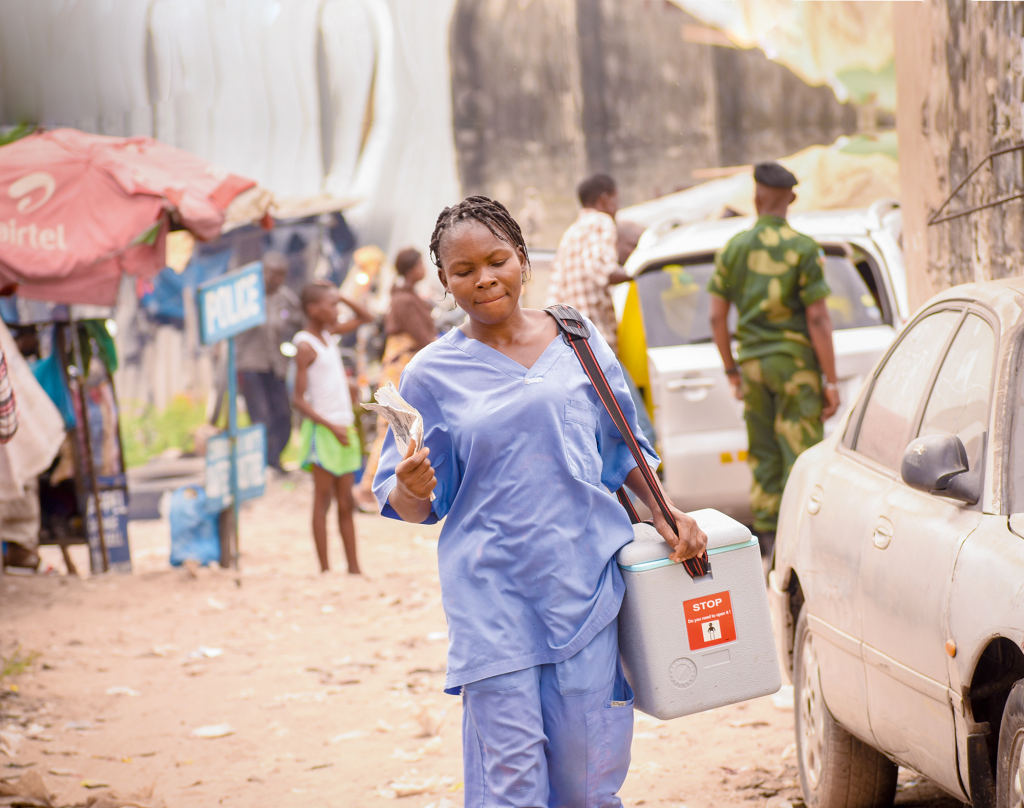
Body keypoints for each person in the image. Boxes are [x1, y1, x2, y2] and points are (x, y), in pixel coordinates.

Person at [373, 196, 707, 807]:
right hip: (490, 602)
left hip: (584, 596)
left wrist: (667, 513)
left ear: (523, 259)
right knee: (512, 789)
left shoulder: (579, 343)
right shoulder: (428, 375)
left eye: (497, 260)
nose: (484, 279)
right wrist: (411, 487)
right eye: (464, 270)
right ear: (444, 281)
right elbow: (412, 501)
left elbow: (624, 449)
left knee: (587, 785)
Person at [707, 162, 839, 564]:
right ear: (790, 199)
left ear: (757, 197)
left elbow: (716, 317)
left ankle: (768, 552)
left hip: (753, 369)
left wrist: (732, 369)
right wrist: (830, 381)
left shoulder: (733, 249)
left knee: (763, 455)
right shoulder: (802, 249)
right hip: (795, 368)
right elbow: (817, 317)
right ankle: (806, 546)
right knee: (802, 456)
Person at [292, 281, 374, 574]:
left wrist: (339, 294)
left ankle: (354, 567)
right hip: (325, 431)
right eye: (331, 305)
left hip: (344, 427)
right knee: (322, 500)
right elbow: (298, 400)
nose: (337, 309)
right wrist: (330, 426)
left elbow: (367, 318)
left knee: (345, 503)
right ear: (313, 310)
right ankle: (325, 569)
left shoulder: (328, 335)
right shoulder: (305, 346)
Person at [354, 247, 436, 513]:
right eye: (421, 264)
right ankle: (367, 489)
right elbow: (425, 339)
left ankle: (384, 487)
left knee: (403, 429)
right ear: (412, 269)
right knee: (391, 428)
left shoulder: (406, 297)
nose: (424, 268)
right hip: (400, 370)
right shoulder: (405, 301)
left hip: (403, 368)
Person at [236, 252, 304, 473]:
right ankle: (261, 464)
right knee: (261, 417)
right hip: (250, 363)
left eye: (281, 275)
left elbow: (300, 322)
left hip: (277, 365)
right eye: (273, 274)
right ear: (263, 273)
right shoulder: (246, 296)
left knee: (283, 414)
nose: (277, 279)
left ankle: (275, 458)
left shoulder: (286, 298)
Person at [545, 173, 628, 352]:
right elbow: (601, 268)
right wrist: (635, 274)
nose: (617, 208)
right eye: (616, 201)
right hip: (595, 335)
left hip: (568, 337)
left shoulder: (570, 232)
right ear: (605, 200)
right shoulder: (602, 221)